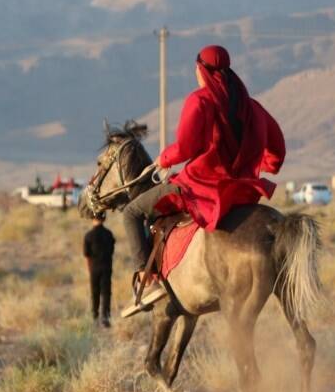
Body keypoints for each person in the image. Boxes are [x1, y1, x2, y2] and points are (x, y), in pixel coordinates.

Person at [123, 45, 286, 311]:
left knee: (132, 211)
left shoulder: (199, 101)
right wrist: (266, 165)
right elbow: (277, 149)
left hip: (199, 188)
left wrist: (163, 159)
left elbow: (186, 147)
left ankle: (147, 280)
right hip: (243, 190)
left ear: (201, 69)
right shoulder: (253, 107)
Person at [83, 213, 115, 328]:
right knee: (106, 293)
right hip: (107, 266)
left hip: (94, 268)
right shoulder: (109, 234)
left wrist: (89, 269)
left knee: (94, 292)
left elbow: (87, 255)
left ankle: (95, 316)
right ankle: (105, 318)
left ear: (92, 219)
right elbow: (112, 251)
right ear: (104, 218)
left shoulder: (88, 235)